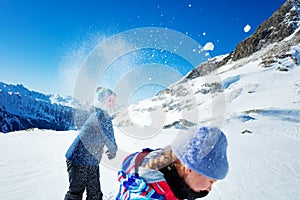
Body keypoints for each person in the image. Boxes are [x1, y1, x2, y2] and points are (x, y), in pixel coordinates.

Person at [116, 126, 229, 200]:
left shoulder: (163, 163)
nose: (209, 189)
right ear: (189, 168)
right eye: (211, 182)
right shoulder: (148, 194)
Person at [64, 87, 118, 200]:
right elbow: (108, 136)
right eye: (110, 100)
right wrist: (113, 150)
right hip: (79, 159)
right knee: (76, 194)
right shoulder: (102, 116)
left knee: (94, 194)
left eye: (114, 100)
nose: (113, 103)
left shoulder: (98, 114)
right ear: (103, 101)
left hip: (90, 160)